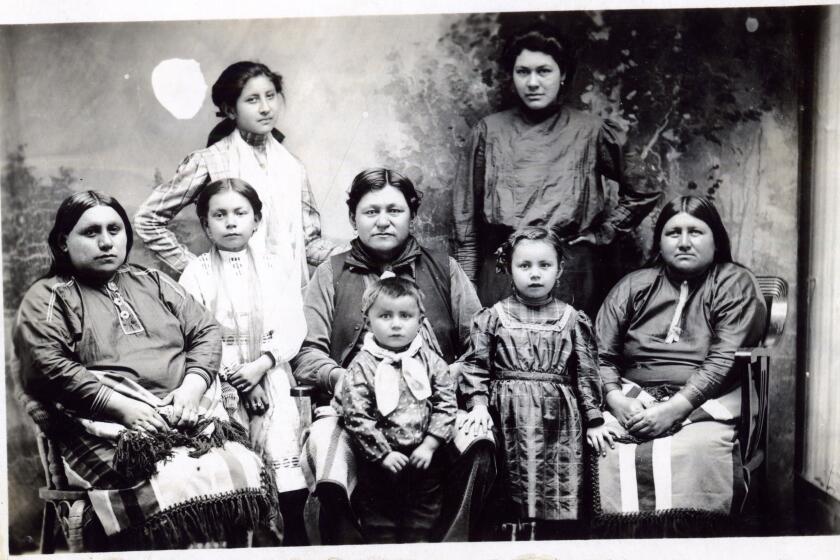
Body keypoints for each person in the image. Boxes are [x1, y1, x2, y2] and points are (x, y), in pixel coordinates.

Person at [13, 191, 277, 550]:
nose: (107, 241)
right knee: (173, 475)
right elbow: (47, 366)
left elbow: (206, 331)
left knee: (241, 466)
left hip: (184, 416)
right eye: (91, 233)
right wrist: (125, 409)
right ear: (63, 242)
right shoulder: (48, 297)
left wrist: (192, 387)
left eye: (115, 229)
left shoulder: (152, 281)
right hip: (106, 432)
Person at [292, 167, 496, 544]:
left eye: (394, 210)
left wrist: (446, 380)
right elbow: (306, 352)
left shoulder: (444, 269)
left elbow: (480, 343)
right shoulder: (330, 273)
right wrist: (343, 381)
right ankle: (349, 551)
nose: (383, 221)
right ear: (353, 217)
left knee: (479, 444)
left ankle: (448, 549)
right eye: (370, 212)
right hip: (355, 414)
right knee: (326, 448)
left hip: (436, 409)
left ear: (413, 215)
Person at [452, 24, 661, 317]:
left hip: (571, 271)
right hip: (503, 271)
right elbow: (465, 222)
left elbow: (645, 186)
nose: (533, 82)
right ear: (511, 77)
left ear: (563, 75)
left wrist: (605, 232)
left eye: (544, 71)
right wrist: (468, 290)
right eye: (523, 72)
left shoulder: (590, 131)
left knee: (569, 352)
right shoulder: (488, 132)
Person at [593, 195, 767, 535]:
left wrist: (674, 410)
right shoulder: (635, 284)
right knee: (607, 449)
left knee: (696, 450)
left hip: (704, 401)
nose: (684, 242)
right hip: (634, 397)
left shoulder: (735, 283)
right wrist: (616, 399)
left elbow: (722, 361)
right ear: (659, 241)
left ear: (716, 239)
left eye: (696, 232)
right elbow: (599, 353)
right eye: (674, 232)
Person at [459, 226, 617, 540]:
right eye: (525, 265)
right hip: (507, 417)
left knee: (555, 483)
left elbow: (587, 374)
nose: (535, 274)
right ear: (508, 268)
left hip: (558, 420)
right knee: (506, 487)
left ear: (559, 269)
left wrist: (595, 420)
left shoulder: (573, 319)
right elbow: (475, 367)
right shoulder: (492, 318)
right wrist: (478, 405)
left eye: (544, 265)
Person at [177, 178, 308, 545]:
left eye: (240, 213)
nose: (231, 222)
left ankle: (295, 541)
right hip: (221, 383)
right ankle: (239, 545)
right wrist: (238, 380)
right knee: (235, 464)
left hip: (271, 371)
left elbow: (293, 323)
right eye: (219, 215)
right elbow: (196, 334)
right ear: (205, 224)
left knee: (283, 453)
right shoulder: (196, 273)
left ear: (256, 220)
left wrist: (263, 364)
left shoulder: (276, 266)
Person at [134, 60, 337, 277]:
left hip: (287, 292)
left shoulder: (293, 167)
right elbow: (147, 220)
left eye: (270, 96)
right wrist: (198, 271)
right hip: (229, 294)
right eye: (252, 100)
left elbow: (308, 243)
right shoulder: (208, 161)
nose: (266, 108)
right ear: (231, 110)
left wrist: (354, 252)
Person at [341, 277, 457, 543]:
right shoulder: (362, 365)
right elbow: (356, 415)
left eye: (405, 316)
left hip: (424, 458)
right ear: (368, 322)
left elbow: (446, 401)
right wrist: (382, 454)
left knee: (423, 522)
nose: (396, 324)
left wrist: (430, 444)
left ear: (420, 320)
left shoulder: (428, 360)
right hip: (379, 461)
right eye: (385, 316)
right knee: (380, 524)